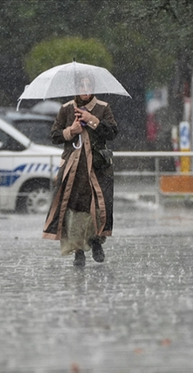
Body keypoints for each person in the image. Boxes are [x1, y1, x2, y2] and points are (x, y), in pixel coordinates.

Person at [42, 74, 118, 267]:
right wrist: (71, 130)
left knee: (98, 207)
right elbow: (54, 135)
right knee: (74, 209)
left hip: (97, 169)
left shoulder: (103, 108)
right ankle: (78, 251)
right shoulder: (67, 109)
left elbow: (112, 132)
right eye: (81, 85)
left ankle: (96, 241)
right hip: (74, 170)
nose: (85, 89)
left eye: (88, 85)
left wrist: (92, 120)